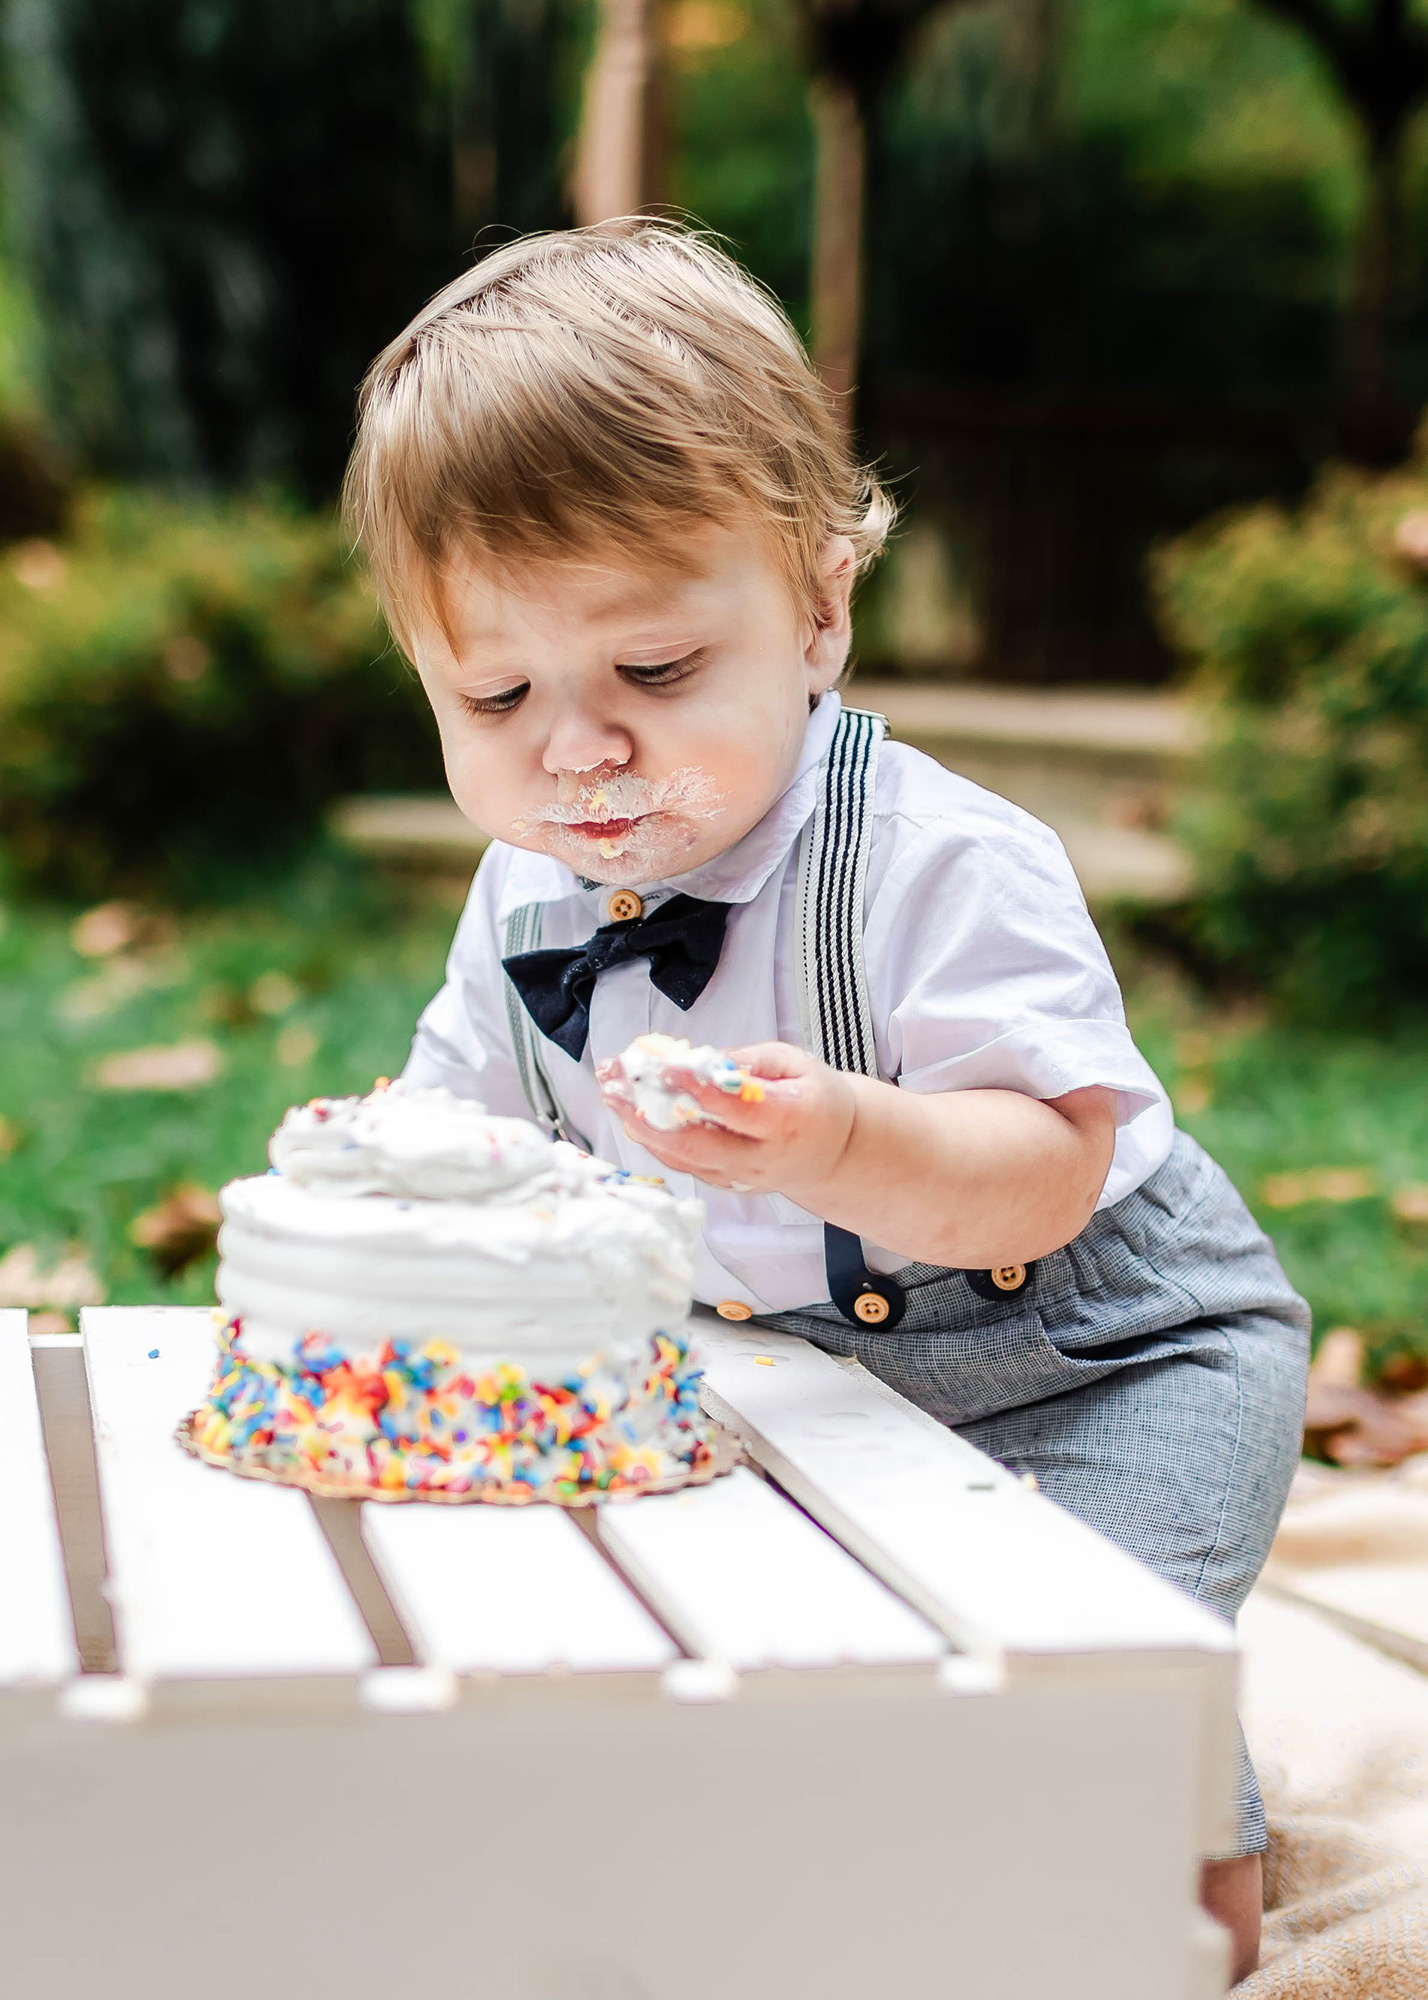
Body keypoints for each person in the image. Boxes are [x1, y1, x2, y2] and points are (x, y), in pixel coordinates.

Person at [343, 219, 1309, 1985]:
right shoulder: (526, 891)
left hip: (1104, 1359)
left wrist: (844, 1141)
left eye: (651, 673)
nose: (577, 750)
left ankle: (1192, 1940)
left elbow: (1043, 1176)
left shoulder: (941, 863)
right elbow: (461, 1126)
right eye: (496, 694)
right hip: (796, 1379)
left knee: (1092, 1673)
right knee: (734, 1682)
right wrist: (384, 1180)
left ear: (817, 608)